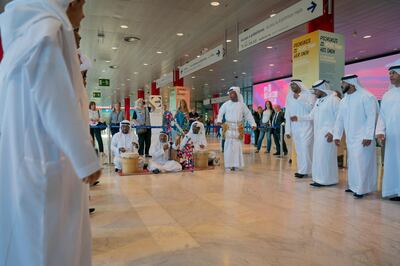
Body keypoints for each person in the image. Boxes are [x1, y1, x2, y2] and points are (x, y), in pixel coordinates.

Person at [0, 1, 102, 265]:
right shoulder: (46, 30)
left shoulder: (25, 33)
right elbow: (53, 97)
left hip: (30, 155)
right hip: (46, 157)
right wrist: (85, 158)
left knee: (31, 241)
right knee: (50, 244)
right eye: (83, 4)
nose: (83, 13)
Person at [334, 75, 378, 199]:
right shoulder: (344, 100)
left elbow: (371, 117)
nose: (341, 85)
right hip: (350, 137)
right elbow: (339, 119)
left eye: (343, 83)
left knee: (362, 162)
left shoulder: (367, 96)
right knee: (353, 162)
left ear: (351, 84)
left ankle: (362, 188)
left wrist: (368, 135)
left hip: (363, 137)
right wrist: (337, 135)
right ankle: (354, 185)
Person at [291, 80, 341, 187]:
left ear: (322, 89)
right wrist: (298, 118)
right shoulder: (319, 101)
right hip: (318, 134)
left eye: (316, 90)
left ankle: (328, 180)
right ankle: (319, 179)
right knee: (319, 157)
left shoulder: (334, 100)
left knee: (325, 157)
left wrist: (333, 132)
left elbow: (339, 118)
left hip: (328, 134)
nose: (315, 92)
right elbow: (311, 116)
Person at [376, 59, 400, 201]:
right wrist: (380, 131)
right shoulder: (387, 95)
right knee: (393, 163)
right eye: (390, 73)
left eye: (394, 73)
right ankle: (396, 190)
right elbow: (382, 116)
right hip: (392, 137)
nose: (390, 76)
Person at [217, 87, 256, 171]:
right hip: (228, 128)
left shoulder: (242, 105)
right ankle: (228, 165)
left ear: (237, 94)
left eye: (232, 93)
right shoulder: (226, 104)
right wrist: (219, 120)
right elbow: (220, 112)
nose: (230, 95)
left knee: (237, 146)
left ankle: (236, 164)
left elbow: (248, 115)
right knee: (227, 146)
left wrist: (253, 123)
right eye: (230, 94)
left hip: (238, 128)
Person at [286, 79, 316, 178]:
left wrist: (299, 99)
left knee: (306, 147)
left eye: (294, 85)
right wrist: (288, 130)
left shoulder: (309, 95)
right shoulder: (289, 97)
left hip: (307, 126)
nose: (292, 87)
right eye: (291, 85)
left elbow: (310, 110)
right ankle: (302, 170)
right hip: (295, 128)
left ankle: (308, 170)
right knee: (299, 150)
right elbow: (288, 114)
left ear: (300, 85)